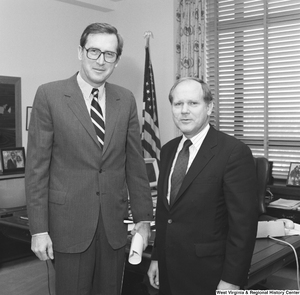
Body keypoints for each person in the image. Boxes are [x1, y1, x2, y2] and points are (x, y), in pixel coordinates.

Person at [25, 23, 153, 295]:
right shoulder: (49, 95)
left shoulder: (126, 99)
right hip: (68, 225)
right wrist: (38, 230)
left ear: (116, 61)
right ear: (80, 52)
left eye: (109, 54)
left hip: (114, 227)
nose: (100, 60)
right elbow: (36, 169)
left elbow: (135, 165)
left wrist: (143, 218)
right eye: (94, 51)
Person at [147, 77, 258, 294]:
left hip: (209, 274)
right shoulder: (168, 150)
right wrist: (157, 258)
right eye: (178, 104)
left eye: (193, 103)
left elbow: (243, 226)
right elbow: (165, 213)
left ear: (209, 107)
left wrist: (232, 280)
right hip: (169, 269)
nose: (184, 111)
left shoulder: (233, 152)